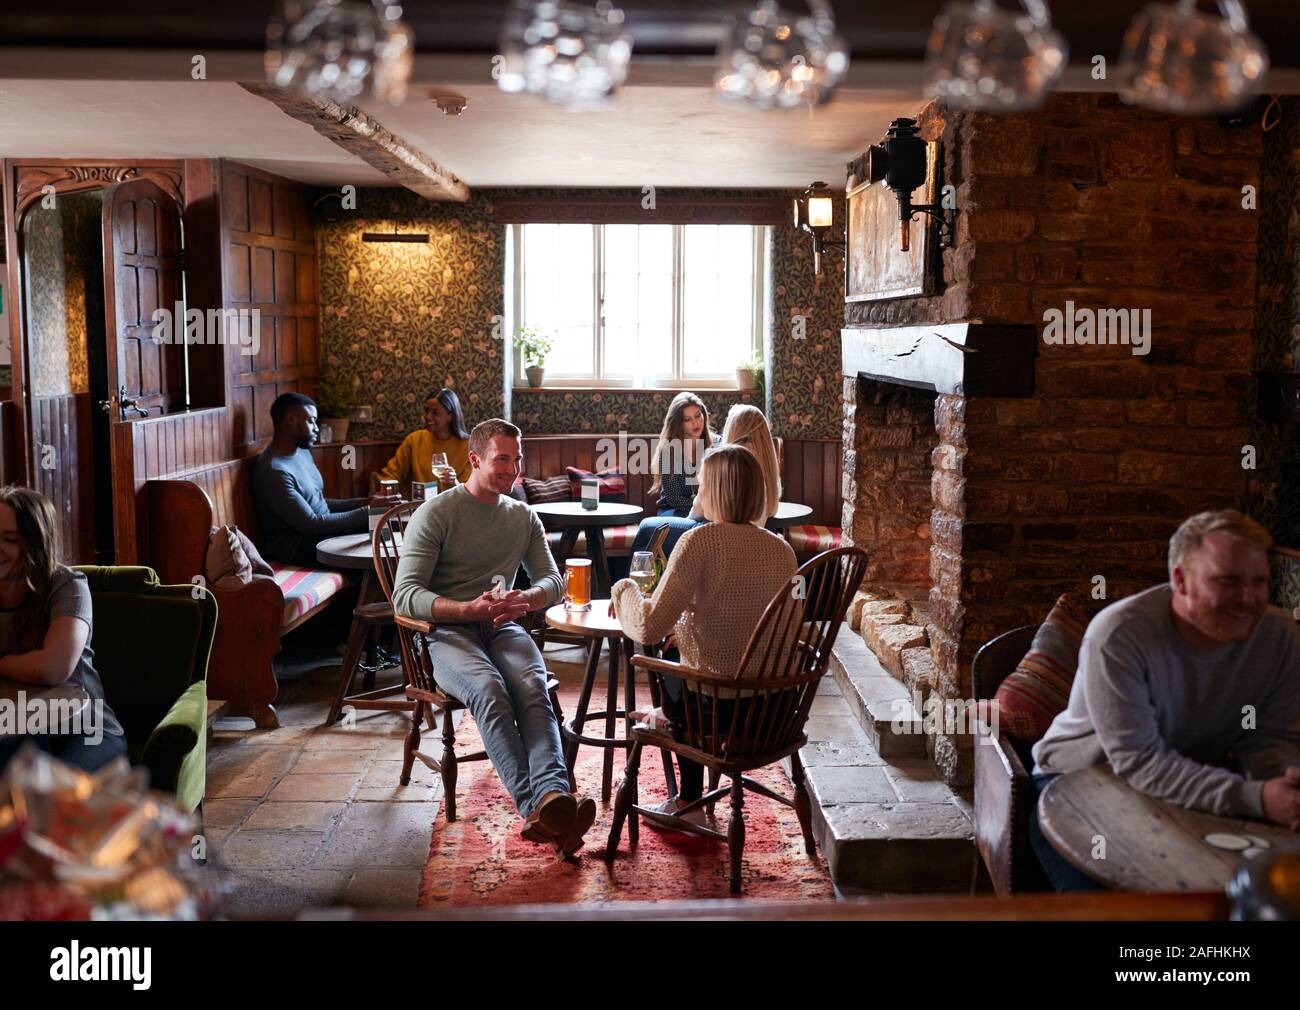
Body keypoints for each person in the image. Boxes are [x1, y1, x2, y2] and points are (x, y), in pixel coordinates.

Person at [1029, 509, 1300, 891]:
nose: (1248, 599)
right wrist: (1256, 798)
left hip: (1187, 778)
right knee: (1112, 911)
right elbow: (1139, 760)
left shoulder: (1282, 636)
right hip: (1074, 784)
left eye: (1259, 582)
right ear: (1181, 580)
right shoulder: (1120, 634)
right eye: (1228, 581)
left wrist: (1284, 783)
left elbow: (1267, 739)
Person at [391, 418, 596, 857]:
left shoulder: (521, 515)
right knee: (490, 689)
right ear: (474, 460)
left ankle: (552, 799)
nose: (512, 468)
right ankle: (538, 805)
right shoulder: (437, 513)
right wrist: (466, 609)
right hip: (448, 633)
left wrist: (529, 597)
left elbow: (553, 580)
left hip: (504, 626)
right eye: (502, 458)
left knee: (532, 685)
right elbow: (405, 597)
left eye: (517, 459)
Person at [611, 444, 798, 827]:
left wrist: (624, 588)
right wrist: (688, 630)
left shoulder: (700, 541)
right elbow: (779, 627)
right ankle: (669, 720)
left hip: (717, 712)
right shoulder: (782, 551)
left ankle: (689, 797)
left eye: (701, 486)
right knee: (681, 653)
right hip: (775, 709)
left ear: (715, 490)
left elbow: (647, 626)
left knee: (665, 658)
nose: (696, 494)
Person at [0, 486, 127, 773]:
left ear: (34, 544)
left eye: (9, 539)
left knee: (45, 791)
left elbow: (54, 667)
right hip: (12, 729)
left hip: (86, 729)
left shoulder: (67, 585)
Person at [254, 392, 399, 567]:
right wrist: (367, 510)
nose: (316, 428)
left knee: (391, 532)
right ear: (290, 420)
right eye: (311, 421)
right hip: (300, 547)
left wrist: (365, 501)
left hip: (323, 533)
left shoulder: (301, 452)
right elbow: (310, 524)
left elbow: (320, 503)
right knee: (381, 552)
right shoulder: (274, 471)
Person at [376, 387, 472, 487]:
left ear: (450, 416)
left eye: (435, 412)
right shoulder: (414, 439)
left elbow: (468, 491)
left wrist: (453, 481)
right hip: (420, 502)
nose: (428, 417)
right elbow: (392, 473)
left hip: (453, 502)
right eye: (426, 411)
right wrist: (382, 491)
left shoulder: (469, 446)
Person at [648, 392, 719, 517]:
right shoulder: (668, 451)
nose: (695, 423)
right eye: (687, 419)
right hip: (675, 511)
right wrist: (704, 507)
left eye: (698, 416)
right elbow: (675, 499)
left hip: (711, 512)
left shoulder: (718, 444)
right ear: (679, 423)